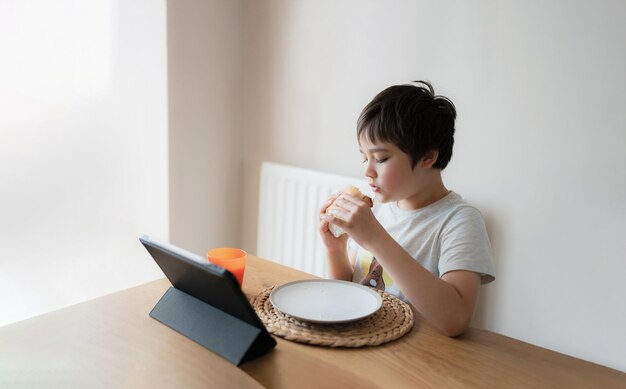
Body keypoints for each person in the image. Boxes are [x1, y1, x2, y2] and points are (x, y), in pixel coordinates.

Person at [319, 81, 496, 337]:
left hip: (414, 357)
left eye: (380, 159)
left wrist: (375, 238)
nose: (367, 171)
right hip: (362, 341)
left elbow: (455, 320)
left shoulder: (460, 221)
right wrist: (335, 251)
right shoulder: (379, 209)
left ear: (427, 157)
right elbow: (350, 294)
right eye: (364, 157)